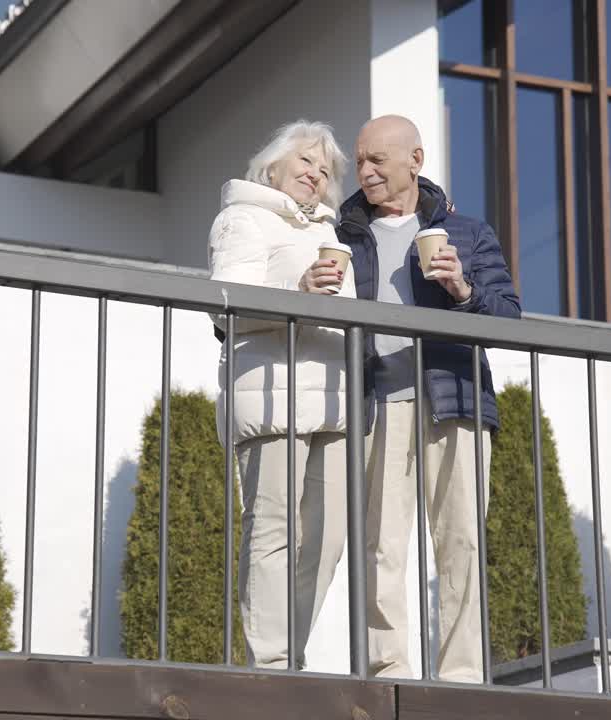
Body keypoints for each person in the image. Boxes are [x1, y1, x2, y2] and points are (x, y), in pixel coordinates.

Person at [336, 115, 521, 682]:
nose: (364, 172)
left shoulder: (466, 232)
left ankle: (462, 676)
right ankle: (387, 670)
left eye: (377, 160)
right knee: (380, 546)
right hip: (375, 403)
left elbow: (509, 319)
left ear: (414, 160)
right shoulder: (342, 234)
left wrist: (462, 289)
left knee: (462, 541)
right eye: (360, 161)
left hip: (455, 399)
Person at [207, 120, 353, 669]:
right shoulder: (244, 217)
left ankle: (290, 653)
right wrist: (299, 291)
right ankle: (270, 663)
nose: (315, 174)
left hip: (333, 401)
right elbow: (227, 306)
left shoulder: (330, 235)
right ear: (273, 166)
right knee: (273, 530)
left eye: (325, 169)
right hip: (272, 395)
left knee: (327, 540)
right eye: (305, 161)